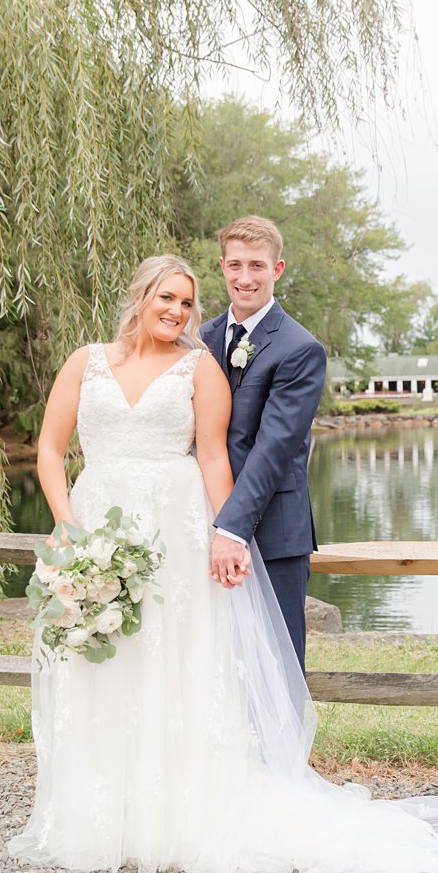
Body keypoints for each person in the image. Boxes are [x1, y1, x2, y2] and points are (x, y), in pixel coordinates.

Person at [7, 251, 438, 873]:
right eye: (166, 297)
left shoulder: (200, 369)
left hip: (177, 527)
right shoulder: (86, 362)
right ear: (139, 297)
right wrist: (68, 528)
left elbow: (216, 456)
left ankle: (176, 817)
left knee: (178, 665)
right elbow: (51, 448)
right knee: (107, 666)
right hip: (97, 522)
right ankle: (106, 816)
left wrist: (226, 538)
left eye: (188, 303)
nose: (177, 311)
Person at [198, 215, 322, 671]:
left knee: (277, 663)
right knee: (214, 659)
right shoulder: (200, 338)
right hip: (202, 520)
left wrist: (230, 530)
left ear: (278, 269)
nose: (244, 278)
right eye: (235, 265)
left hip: (273, 530)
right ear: (222, 266)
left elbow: (273, 449)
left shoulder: (299, 348)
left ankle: (286, 748)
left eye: (256, 266)